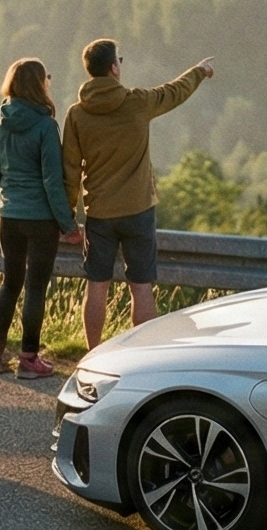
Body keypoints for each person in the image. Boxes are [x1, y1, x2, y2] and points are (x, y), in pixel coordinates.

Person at [61, 38, 213, 347]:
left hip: (99, 213)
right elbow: (175, 91)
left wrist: (67, 217)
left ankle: (92, 354)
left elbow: (70, 170)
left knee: (97, 287)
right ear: (114, 68)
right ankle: (140, 356)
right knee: (141, 287)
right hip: (138, 211)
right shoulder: (137, 103)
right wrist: (199, 71)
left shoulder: (77, 114)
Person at [0, 57, 74, 378]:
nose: (49, 81)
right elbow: (51, 180)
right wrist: (68, 224)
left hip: (8, 215)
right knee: (35, 288)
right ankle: (29, 360)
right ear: (37, 84)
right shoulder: (46, 126)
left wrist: (11, 185)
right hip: (41, 219)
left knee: (10, 282)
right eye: (46, 77)